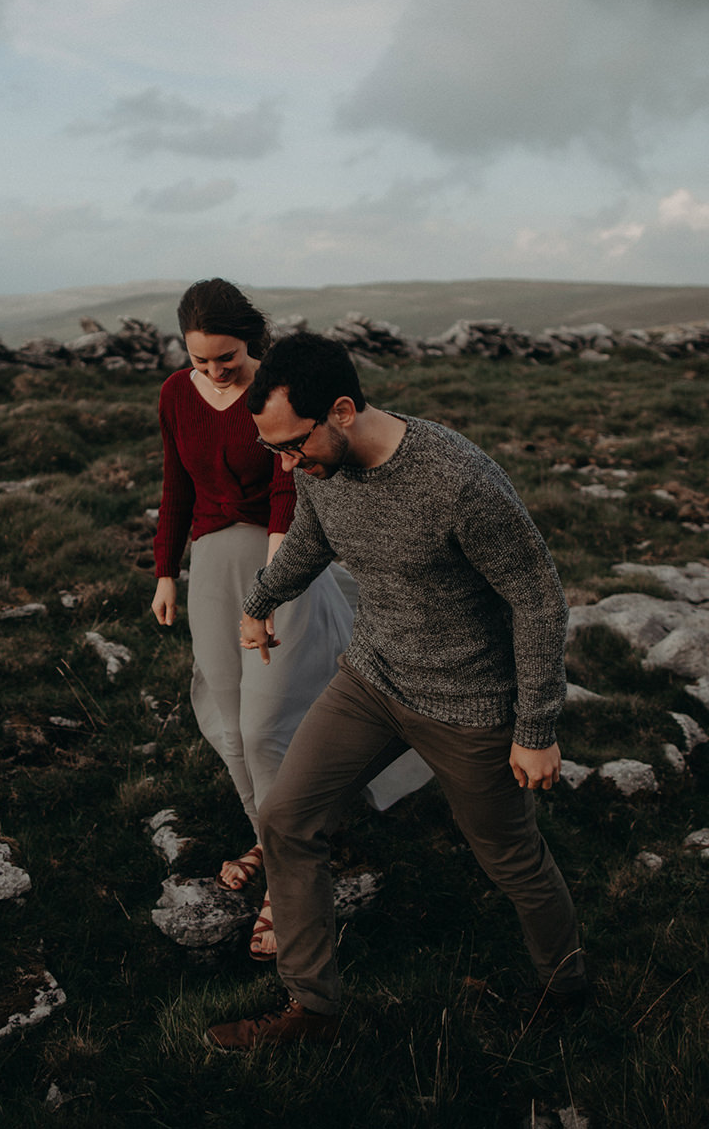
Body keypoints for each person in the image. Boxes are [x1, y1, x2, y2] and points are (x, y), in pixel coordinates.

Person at [206, 331, 587, 1049]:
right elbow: (311, 542)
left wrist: (536, 728)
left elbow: (538, 600)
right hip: (373, 679)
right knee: (287, 819)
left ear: (343, 410)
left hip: (470, 707)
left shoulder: (458, 481)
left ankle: (567, 992)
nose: (287, 465)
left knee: (511, 858)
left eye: (293, 445)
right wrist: (258, 602)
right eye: (273, 450)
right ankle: (311, 1012)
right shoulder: (318, 470)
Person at [150, 279, 355, 961]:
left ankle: (294, 876)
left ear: (253, 344)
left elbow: (284, 491)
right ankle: (274, 840)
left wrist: (267, 596)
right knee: (232, 725)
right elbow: (176, 483)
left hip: (278, 562)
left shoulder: (273, 393)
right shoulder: (177, 394)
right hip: (210, 565)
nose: (212, 372)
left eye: (225, 358)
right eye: (199, 359)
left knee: (272, 724)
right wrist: (164, 573)